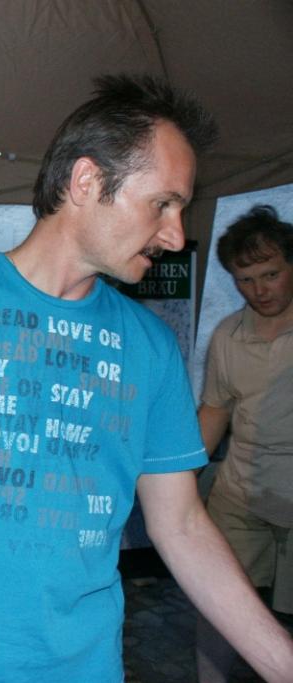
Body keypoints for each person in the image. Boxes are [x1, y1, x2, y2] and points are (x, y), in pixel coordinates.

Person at [0, 75, 293, 682]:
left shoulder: (151, 346)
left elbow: (181, 523)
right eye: (162, 204)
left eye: (181, 209)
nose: (176, 236)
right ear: (86, 181)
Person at [195, 204, 293, 682]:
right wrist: (180, 481)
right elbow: (215, 411)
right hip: (240, 496)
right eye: (245, 280)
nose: (259, 290)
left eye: (271, 274)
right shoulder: (228, 336)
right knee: (217, 605)